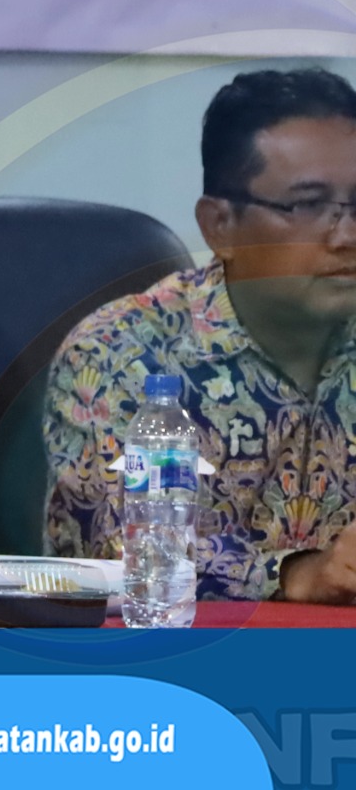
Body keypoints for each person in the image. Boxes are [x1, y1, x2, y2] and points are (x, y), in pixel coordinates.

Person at [44, 67, 356, 602]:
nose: (346, 236)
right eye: (307, 205)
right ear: (220, 226)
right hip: (162, 651)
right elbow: (124, 553)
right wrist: (298, 575)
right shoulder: (125, 352)